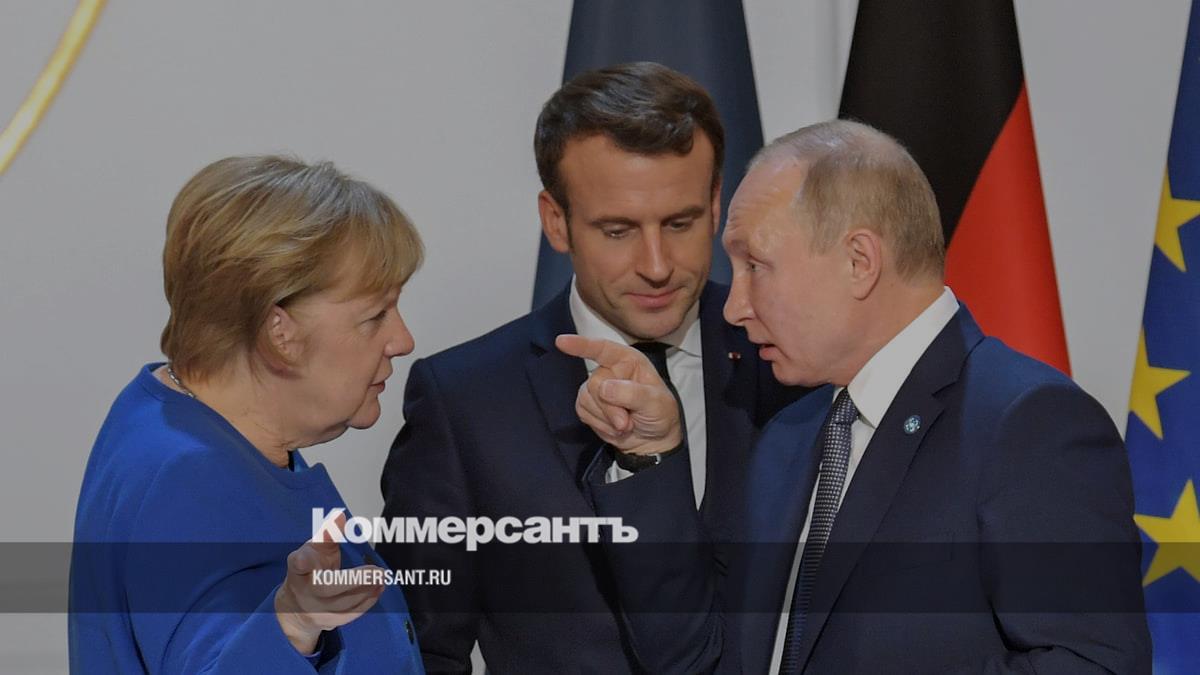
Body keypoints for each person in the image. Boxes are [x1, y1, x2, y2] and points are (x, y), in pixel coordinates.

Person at [559, 119, 1152, 673]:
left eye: (756, 266)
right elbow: (693, 656)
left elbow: (1090, 662)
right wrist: (649, 455)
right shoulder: (790, 433)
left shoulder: (1029, 423)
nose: (734, 308)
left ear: (859, 261)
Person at [377, 62, 801, 674]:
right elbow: (420, 650)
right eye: (618, 230)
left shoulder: (792, 362)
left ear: (716, 204)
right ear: (557, 221)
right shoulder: (465, 401)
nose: (656, 265)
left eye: (679, 223)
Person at [69, 156, 426, 673]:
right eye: (375, 315)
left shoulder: (175, 416)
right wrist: (292, 627)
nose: (402, 340)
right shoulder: (188, 481)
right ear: (280, 332)